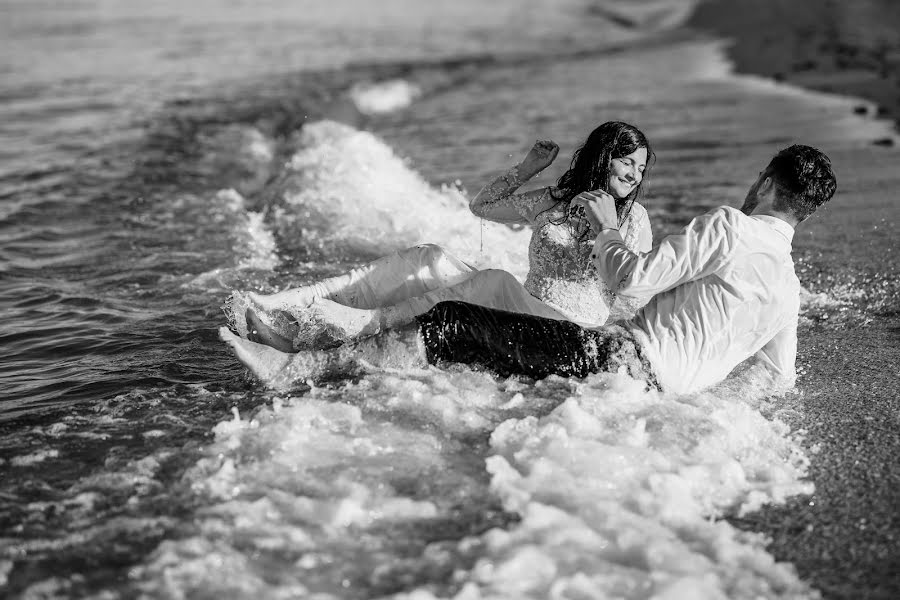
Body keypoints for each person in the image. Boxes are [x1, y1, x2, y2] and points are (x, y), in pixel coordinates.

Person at [221, 144, 836, 396]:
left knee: (453, 322)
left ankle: (296, 369)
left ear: (765, 182)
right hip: (644, 386)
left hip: (617, 359)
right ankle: (319, 338)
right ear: (807, 211)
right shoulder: (789, 292)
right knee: (467, 322)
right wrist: (689, 391)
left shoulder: (731, 225)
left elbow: (633, 280)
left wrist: (609, 230)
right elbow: (776, 379)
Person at [231, 121, 655, 352]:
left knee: (494, 281)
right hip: (523, 310)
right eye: (627, 163)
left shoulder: (633, 220)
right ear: (605, 156)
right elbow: (482, 207)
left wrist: (608, 229)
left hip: (566, 331)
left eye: (640, 169)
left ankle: (350, 331)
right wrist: (527, 169)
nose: (634, 176)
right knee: (429, 258)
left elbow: (632, 290)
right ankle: (293, 304)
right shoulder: (556, 201)